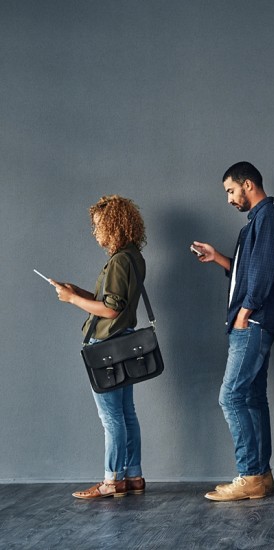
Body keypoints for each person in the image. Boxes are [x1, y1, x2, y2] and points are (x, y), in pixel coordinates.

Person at [192, 161, 274, 501]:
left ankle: (249, 475)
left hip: (253, 322)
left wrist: (245, 313)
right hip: (254, 320)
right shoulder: (259, 221)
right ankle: (261, 476)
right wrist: (218, 257)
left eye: (231, 191)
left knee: (231, 396)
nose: (229, 199)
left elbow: (262, 274)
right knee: (251, 397)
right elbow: (248, 270)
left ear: (248, 184)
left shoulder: (268, 219)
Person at [52, 195, 148, 499]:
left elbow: (111, 310)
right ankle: (133, 476)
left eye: (99, 226)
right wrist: (79, 292)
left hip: (106, 345)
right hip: (124, 342)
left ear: (114, 225)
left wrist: (72, 300)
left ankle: (110, 481)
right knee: (126, 412)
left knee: (111, 418)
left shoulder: (119, 260)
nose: (96, 233)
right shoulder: (133, 256)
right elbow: (111, 301)